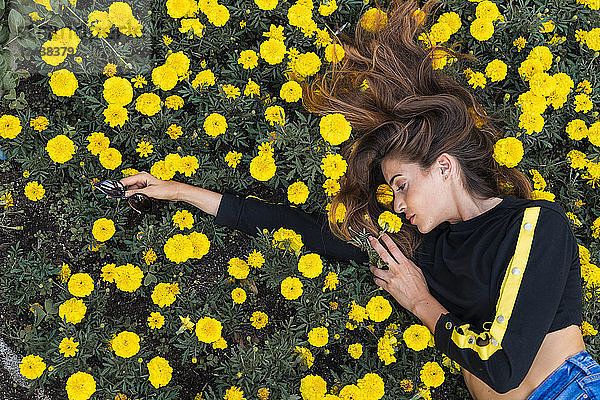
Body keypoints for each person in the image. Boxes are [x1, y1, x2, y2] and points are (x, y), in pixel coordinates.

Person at [119, 0, 600, 398]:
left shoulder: (536, 225)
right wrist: (176, 191)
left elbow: (503, 366)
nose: (395, 203)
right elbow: (293, 226)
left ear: (445, 166)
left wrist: (420, 302)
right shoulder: (419, 251)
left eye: (400, 184)